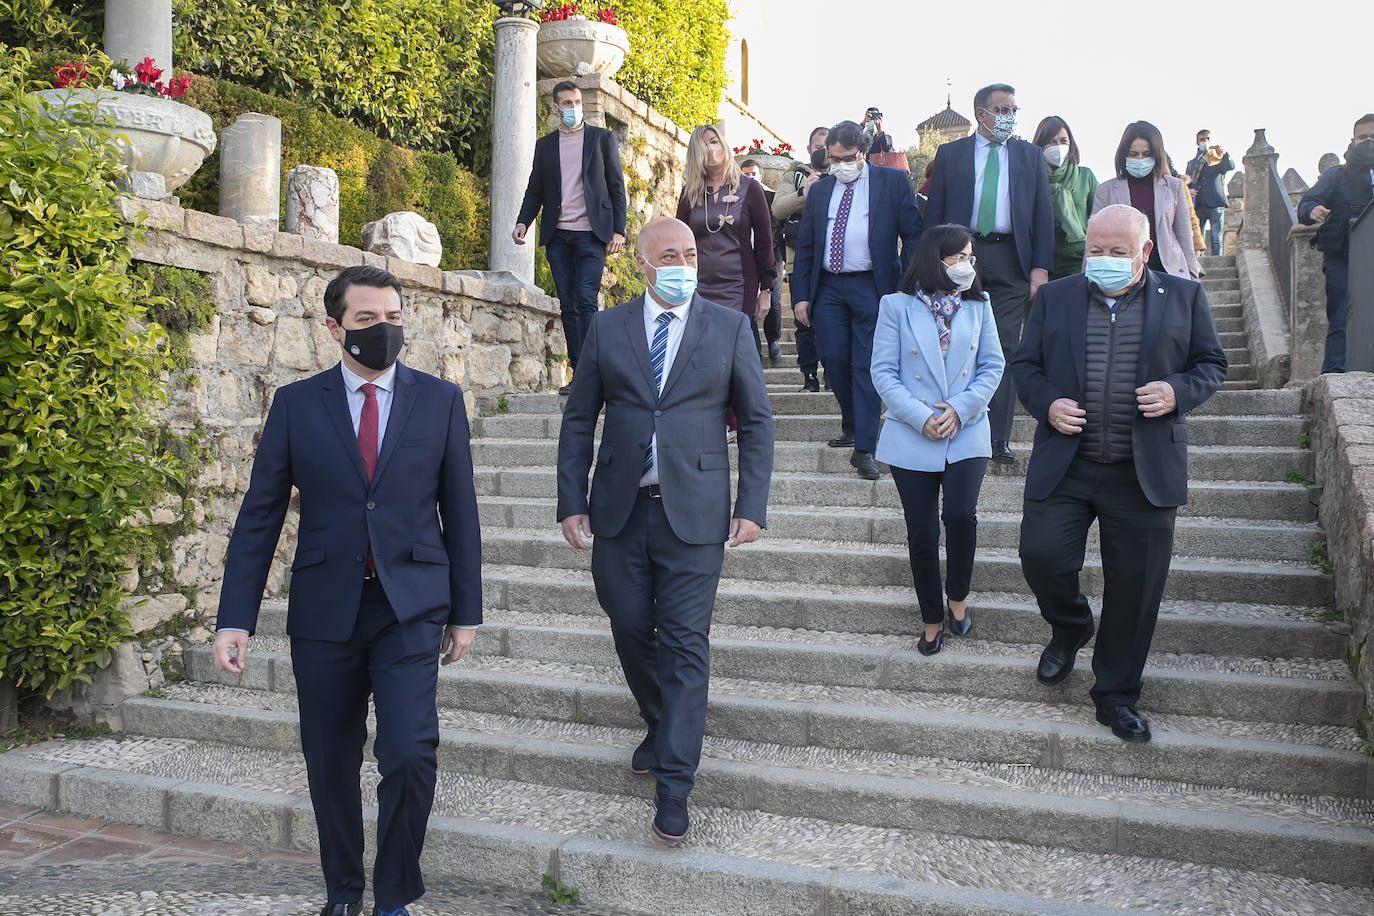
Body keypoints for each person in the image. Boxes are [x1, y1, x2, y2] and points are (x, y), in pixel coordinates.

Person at [213, 266, 483, 916]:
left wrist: (466, 612)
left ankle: (393, 894)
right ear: (334, 327)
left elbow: (461, 511)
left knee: (411, 751)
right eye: (366, 320)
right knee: (331, 763)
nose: (383, 330)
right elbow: (260, 514)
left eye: (393, 317)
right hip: (325, 610)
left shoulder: (440, 401)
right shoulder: (296, 405)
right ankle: (343, 891)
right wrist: (235, 617)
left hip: (410, 607)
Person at [555, 218, 774, 843]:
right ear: (644, 266)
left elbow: (756, 423)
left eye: (690, 253)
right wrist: (572, 499)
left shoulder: (729, 327)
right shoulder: (608, 327)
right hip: (620, 510)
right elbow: (579, 420)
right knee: (628, 624)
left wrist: (752, 504)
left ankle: (675, 784)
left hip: (696, 514)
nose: (683, 262)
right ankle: (660, 719)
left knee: (684, 643)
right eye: (669, 255)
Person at [1013, 205, 1227, 743]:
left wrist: (1179, 391)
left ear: (1145, 252)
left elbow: (1211, 364)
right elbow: (1026, 367)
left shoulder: (1184, 297)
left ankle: (1115, 695)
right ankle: (1071, 627)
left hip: (1143, 472)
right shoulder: (1056, 298)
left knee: (1134, 592)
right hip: (1068, 464)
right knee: (1040, 556)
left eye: (1117, 252)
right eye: (1094, 250)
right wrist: (1047, 405)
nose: (1103, 260)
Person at [870, 225, 1004, 655]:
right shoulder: (895, 306)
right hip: (912, 431)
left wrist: (960, 408)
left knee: (962, 516)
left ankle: (958, 599)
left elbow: (993, 365)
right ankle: (931, 617)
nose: (967, 266)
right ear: (935, 258)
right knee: (922, 532)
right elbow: (883, 372)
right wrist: (920, 416)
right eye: (959, 257)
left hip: (966, 428)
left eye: (971, 258)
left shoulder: (980, 306)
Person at [925, 83, 1054, 465]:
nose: (1009, 116)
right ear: (980, 113)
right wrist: (933, 262)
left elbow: (1042, 216)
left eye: (1013, 109)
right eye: (1002, 109)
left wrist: (1039, 269)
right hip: (961, 258)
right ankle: (950, 425)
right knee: (958, 344)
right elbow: (935, 214)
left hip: (1012, 259)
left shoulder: (1029, 156)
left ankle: (997, 440)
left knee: (1004, 350)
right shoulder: (951, 154)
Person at [792, 119, 923, 480]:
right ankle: (852, 423)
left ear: (862, 153)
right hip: (828, 288)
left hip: (873, 286)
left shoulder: (892, 183)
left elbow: (914, 236)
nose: (839, 164)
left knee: (866, 364)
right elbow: (805, 247)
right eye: (833, 158)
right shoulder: (820, 191)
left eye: (846, 157)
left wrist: (904, 285)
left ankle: (865, 448)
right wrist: (800, 296)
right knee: (834, 359)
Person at [513, 81, 627, 394]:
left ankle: (592, 373)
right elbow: (535, 189)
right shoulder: (545, 146)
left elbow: (617, 187)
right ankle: (580, 373)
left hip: (592, 235)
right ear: (555, 107)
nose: (573, 107)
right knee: (568, 305)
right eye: (566, 103)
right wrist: (524, 221)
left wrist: (619, 229)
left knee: (586, 300)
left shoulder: (602, 139)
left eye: (577, 101)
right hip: (558, 236)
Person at [675, 125, 777, 379]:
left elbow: (764, 241)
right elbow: (679, 239)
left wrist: (765, 290)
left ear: (724, 145)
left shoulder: (750, 188)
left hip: (738, 283)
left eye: (714, 141)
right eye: (704, 144)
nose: (711, 149)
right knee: (703, 350)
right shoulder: (690, 193)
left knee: (735, 351)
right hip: (699, 284)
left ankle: (740, 415)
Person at [1297, 113, 1374, 374]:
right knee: (1341, 317)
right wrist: (1314, 210)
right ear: (1352, 141)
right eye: (1363, 137)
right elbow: (1305, 205)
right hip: (1342, 257)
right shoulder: (1337, 175)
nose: (1368, 142)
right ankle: (1335, 377)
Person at [1091, 121, 1200, 282]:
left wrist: (1193, 277)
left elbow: (1184, 236)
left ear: (1156, 154)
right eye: (1133, 154)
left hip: (1167, 271)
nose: (1140, 159)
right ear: (1123, 155)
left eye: (1146, 154)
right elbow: (1095, 239)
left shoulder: (1174, 187)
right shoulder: (1105, 191)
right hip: (1123, 274)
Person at [773, 126, 830, 392]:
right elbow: (778, 208)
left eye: (828, 147)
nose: (823, 152)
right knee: (803, 322)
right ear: (809, 149)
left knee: (831, 321)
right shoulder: (795, 175)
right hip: (800, 263)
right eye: (818, 147)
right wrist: (805, 193)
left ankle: (834, 375)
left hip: (832, 262)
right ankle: (810, 377)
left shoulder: (843, 173)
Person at [1033, 116, 1098, 280]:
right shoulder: (1032, 178)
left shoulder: (1085, 176)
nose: (1058, 147)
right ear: (1040, 145)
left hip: (1079, 260)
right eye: (1051, 141)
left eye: (1063, 141)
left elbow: (1099, 218)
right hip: (1041, 262)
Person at [740, 158, 784, 360]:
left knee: (773, 302)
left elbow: (776, 229)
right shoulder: (735, 198)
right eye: (746, 174)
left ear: (761, 176)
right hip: (745, 260)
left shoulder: (772, 199)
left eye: (753, 174)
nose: (750, 177)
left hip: (771, 257)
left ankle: (773, 340)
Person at [1185, 130, 1235, 257]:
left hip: (1215, 203)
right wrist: (1188, 190)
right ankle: (1199, 264)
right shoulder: (1192, 163)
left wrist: (1224, 154)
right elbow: (1188, 181)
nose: (1205, 142)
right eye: (1202, 139)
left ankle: (1217, 261)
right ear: (1197, 142)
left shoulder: (1216, 159)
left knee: (1216, 238)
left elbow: (1230, 166)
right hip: (1199, 204)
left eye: (1207, 139)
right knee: (1198, 238)